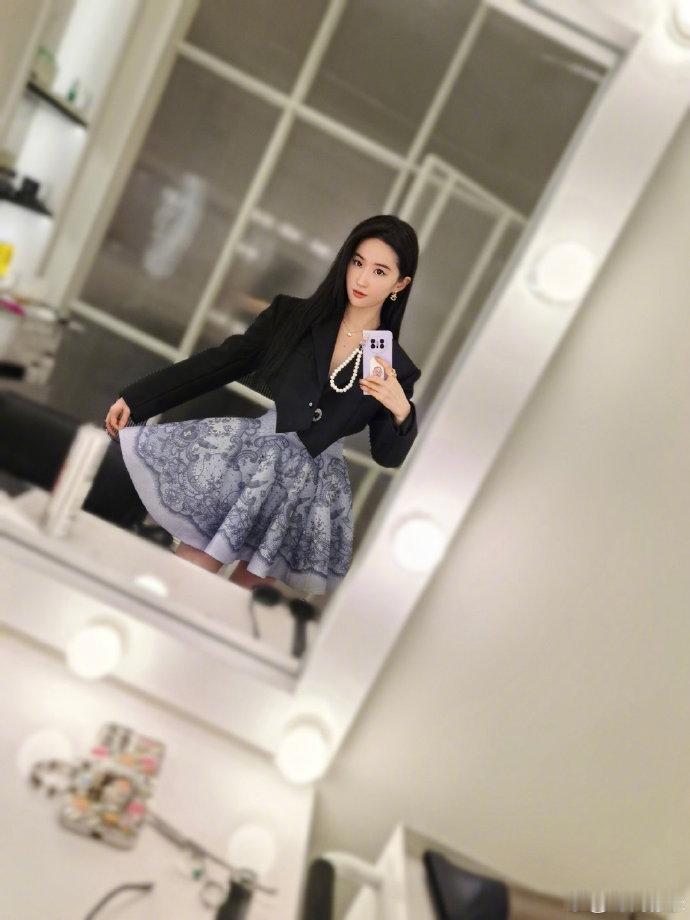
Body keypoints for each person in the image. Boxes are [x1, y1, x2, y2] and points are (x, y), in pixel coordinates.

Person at [104, 214, 422, 596]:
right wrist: (138, 398)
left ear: (400, 284)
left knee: (240, 603)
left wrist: (401, 410)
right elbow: (221, 363)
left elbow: (388, 455)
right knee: (183, 578)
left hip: (307, 491)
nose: (362, 279)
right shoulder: (294, 317)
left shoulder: (391, 364)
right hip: (253, 460)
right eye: (358, 262)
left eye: (379, 271)